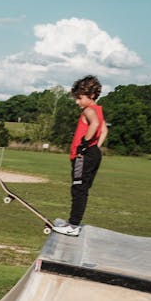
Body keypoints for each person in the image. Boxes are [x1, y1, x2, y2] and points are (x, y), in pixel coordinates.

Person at [54, 76, 108, 237]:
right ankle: (73, 222)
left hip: (83, 156)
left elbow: (95, 125)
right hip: (93, 154)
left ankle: (73, 225)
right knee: (82, 189)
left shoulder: (89, 110)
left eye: (79, 98)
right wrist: (94, 148)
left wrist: (84, 145)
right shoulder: (98, 110)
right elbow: (105, 130)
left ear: (90, 95)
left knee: (78, 190)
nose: (77, 102)